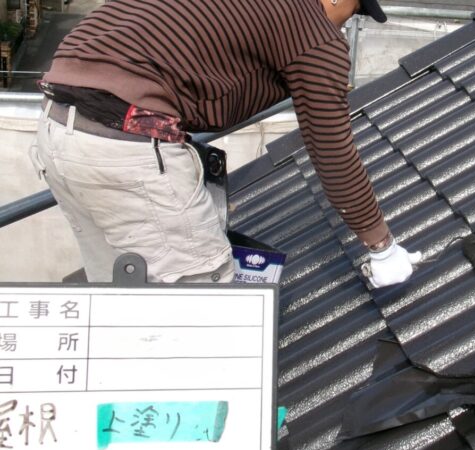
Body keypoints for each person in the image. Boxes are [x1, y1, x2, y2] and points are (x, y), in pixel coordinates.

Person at [30, 0, 421, 287]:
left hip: (56, 126)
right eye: (353, 12)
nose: (344, 25)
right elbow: (332, 150)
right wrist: (382, 247)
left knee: (116, 291)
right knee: (202, 305)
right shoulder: (313, 32)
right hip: (125, 147)